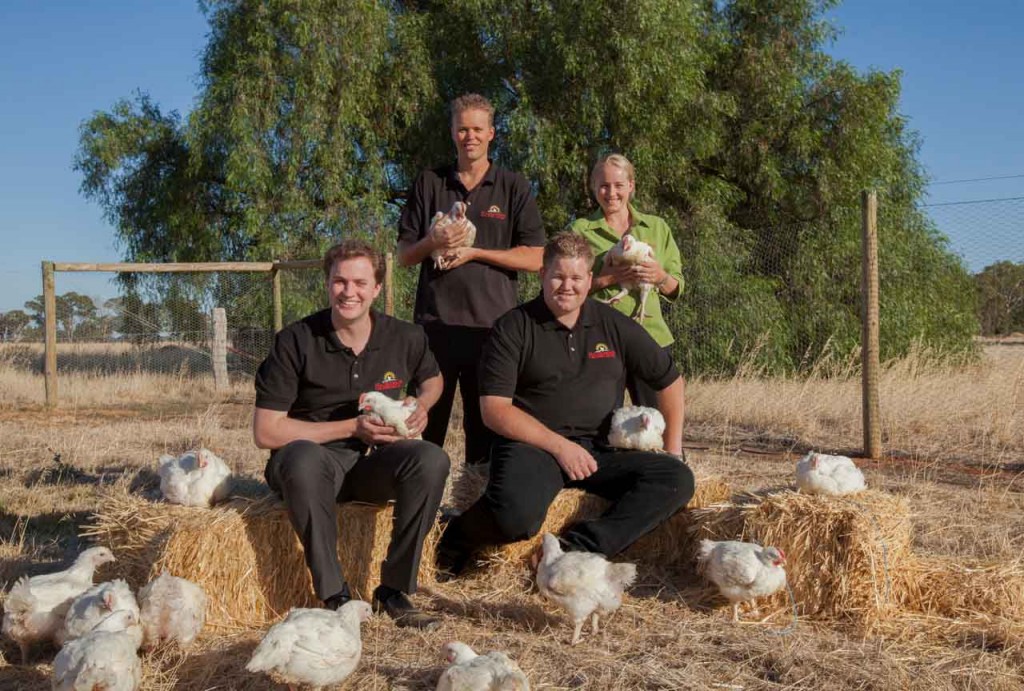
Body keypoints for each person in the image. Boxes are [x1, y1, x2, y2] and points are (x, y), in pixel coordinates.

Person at [436, 232, 695, 577]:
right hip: (534, 447)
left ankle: (574, 549)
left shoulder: (612, 323)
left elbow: (670, 381)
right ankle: (454, 537)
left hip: (601, 450)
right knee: (514, 518)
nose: (567, 286)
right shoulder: (513, 327)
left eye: (576, 277)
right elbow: (494, 410)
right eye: (558, 276)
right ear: (542, 274)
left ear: (589, 279)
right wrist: (560, 447)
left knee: (676, 479)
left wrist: (673, 451)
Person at [253, 239, 449, 630]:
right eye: (340, 281)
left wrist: (422, 405)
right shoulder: (295, 340)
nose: (349, 292)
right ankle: (335, 597)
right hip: (308, 467)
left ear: (377, 288)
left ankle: (394, 591)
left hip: (369, 467)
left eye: (360, 283)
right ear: (327, 284)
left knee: (431, 459)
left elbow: (434, 380)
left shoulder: (406, 337)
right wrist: (351, 427)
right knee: (302, 458)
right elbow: (266, 431)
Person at [397, 93, 546, 466]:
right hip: (434, 329)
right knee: (422, 430)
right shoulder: (429, 182)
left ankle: (477, 501)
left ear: (491, 133)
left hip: (492, 331)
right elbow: (404, 256)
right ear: (452, 132)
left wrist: (476, 253)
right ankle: (420, 498)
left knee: (486, 438)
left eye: (478, 129)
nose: (470, 136)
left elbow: (536, 257)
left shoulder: (513, 186)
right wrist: (434, 241)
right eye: (463, 129)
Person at [571, 153, 685, 407]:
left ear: (631, 186)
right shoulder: (580, 230)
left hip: (651, 336)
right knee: (599, 419)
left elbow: (676, 287)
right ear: (593, 187)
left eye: (619, 185)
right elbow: (566, 289)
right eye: (603, 185)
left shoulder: (657, 227)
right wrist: (608, 278)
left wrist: (660, 276)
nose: (611, 193)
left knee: (654, 420)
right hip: (600, 339)